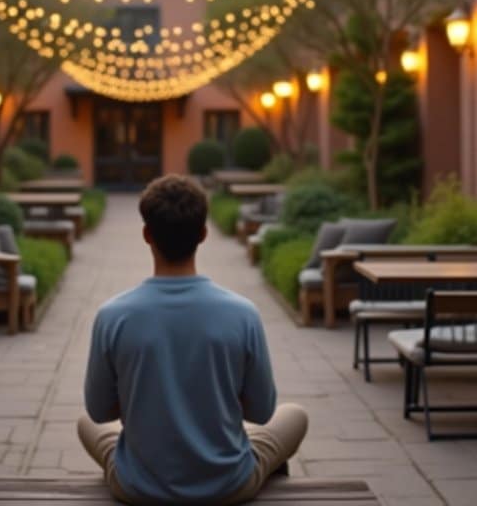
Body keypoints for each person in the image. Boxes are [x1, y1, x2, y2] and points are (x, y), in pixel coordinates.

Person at [78, 174, 308, 504]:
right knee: (295, 415)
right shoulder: (243, 313)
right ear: (203, 233)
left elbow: (100, 411)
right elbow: (261, 412)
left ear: (147, 234)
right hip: (228, 486)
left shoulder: (112, 315)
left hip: (139, 488)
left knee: (85, 423)